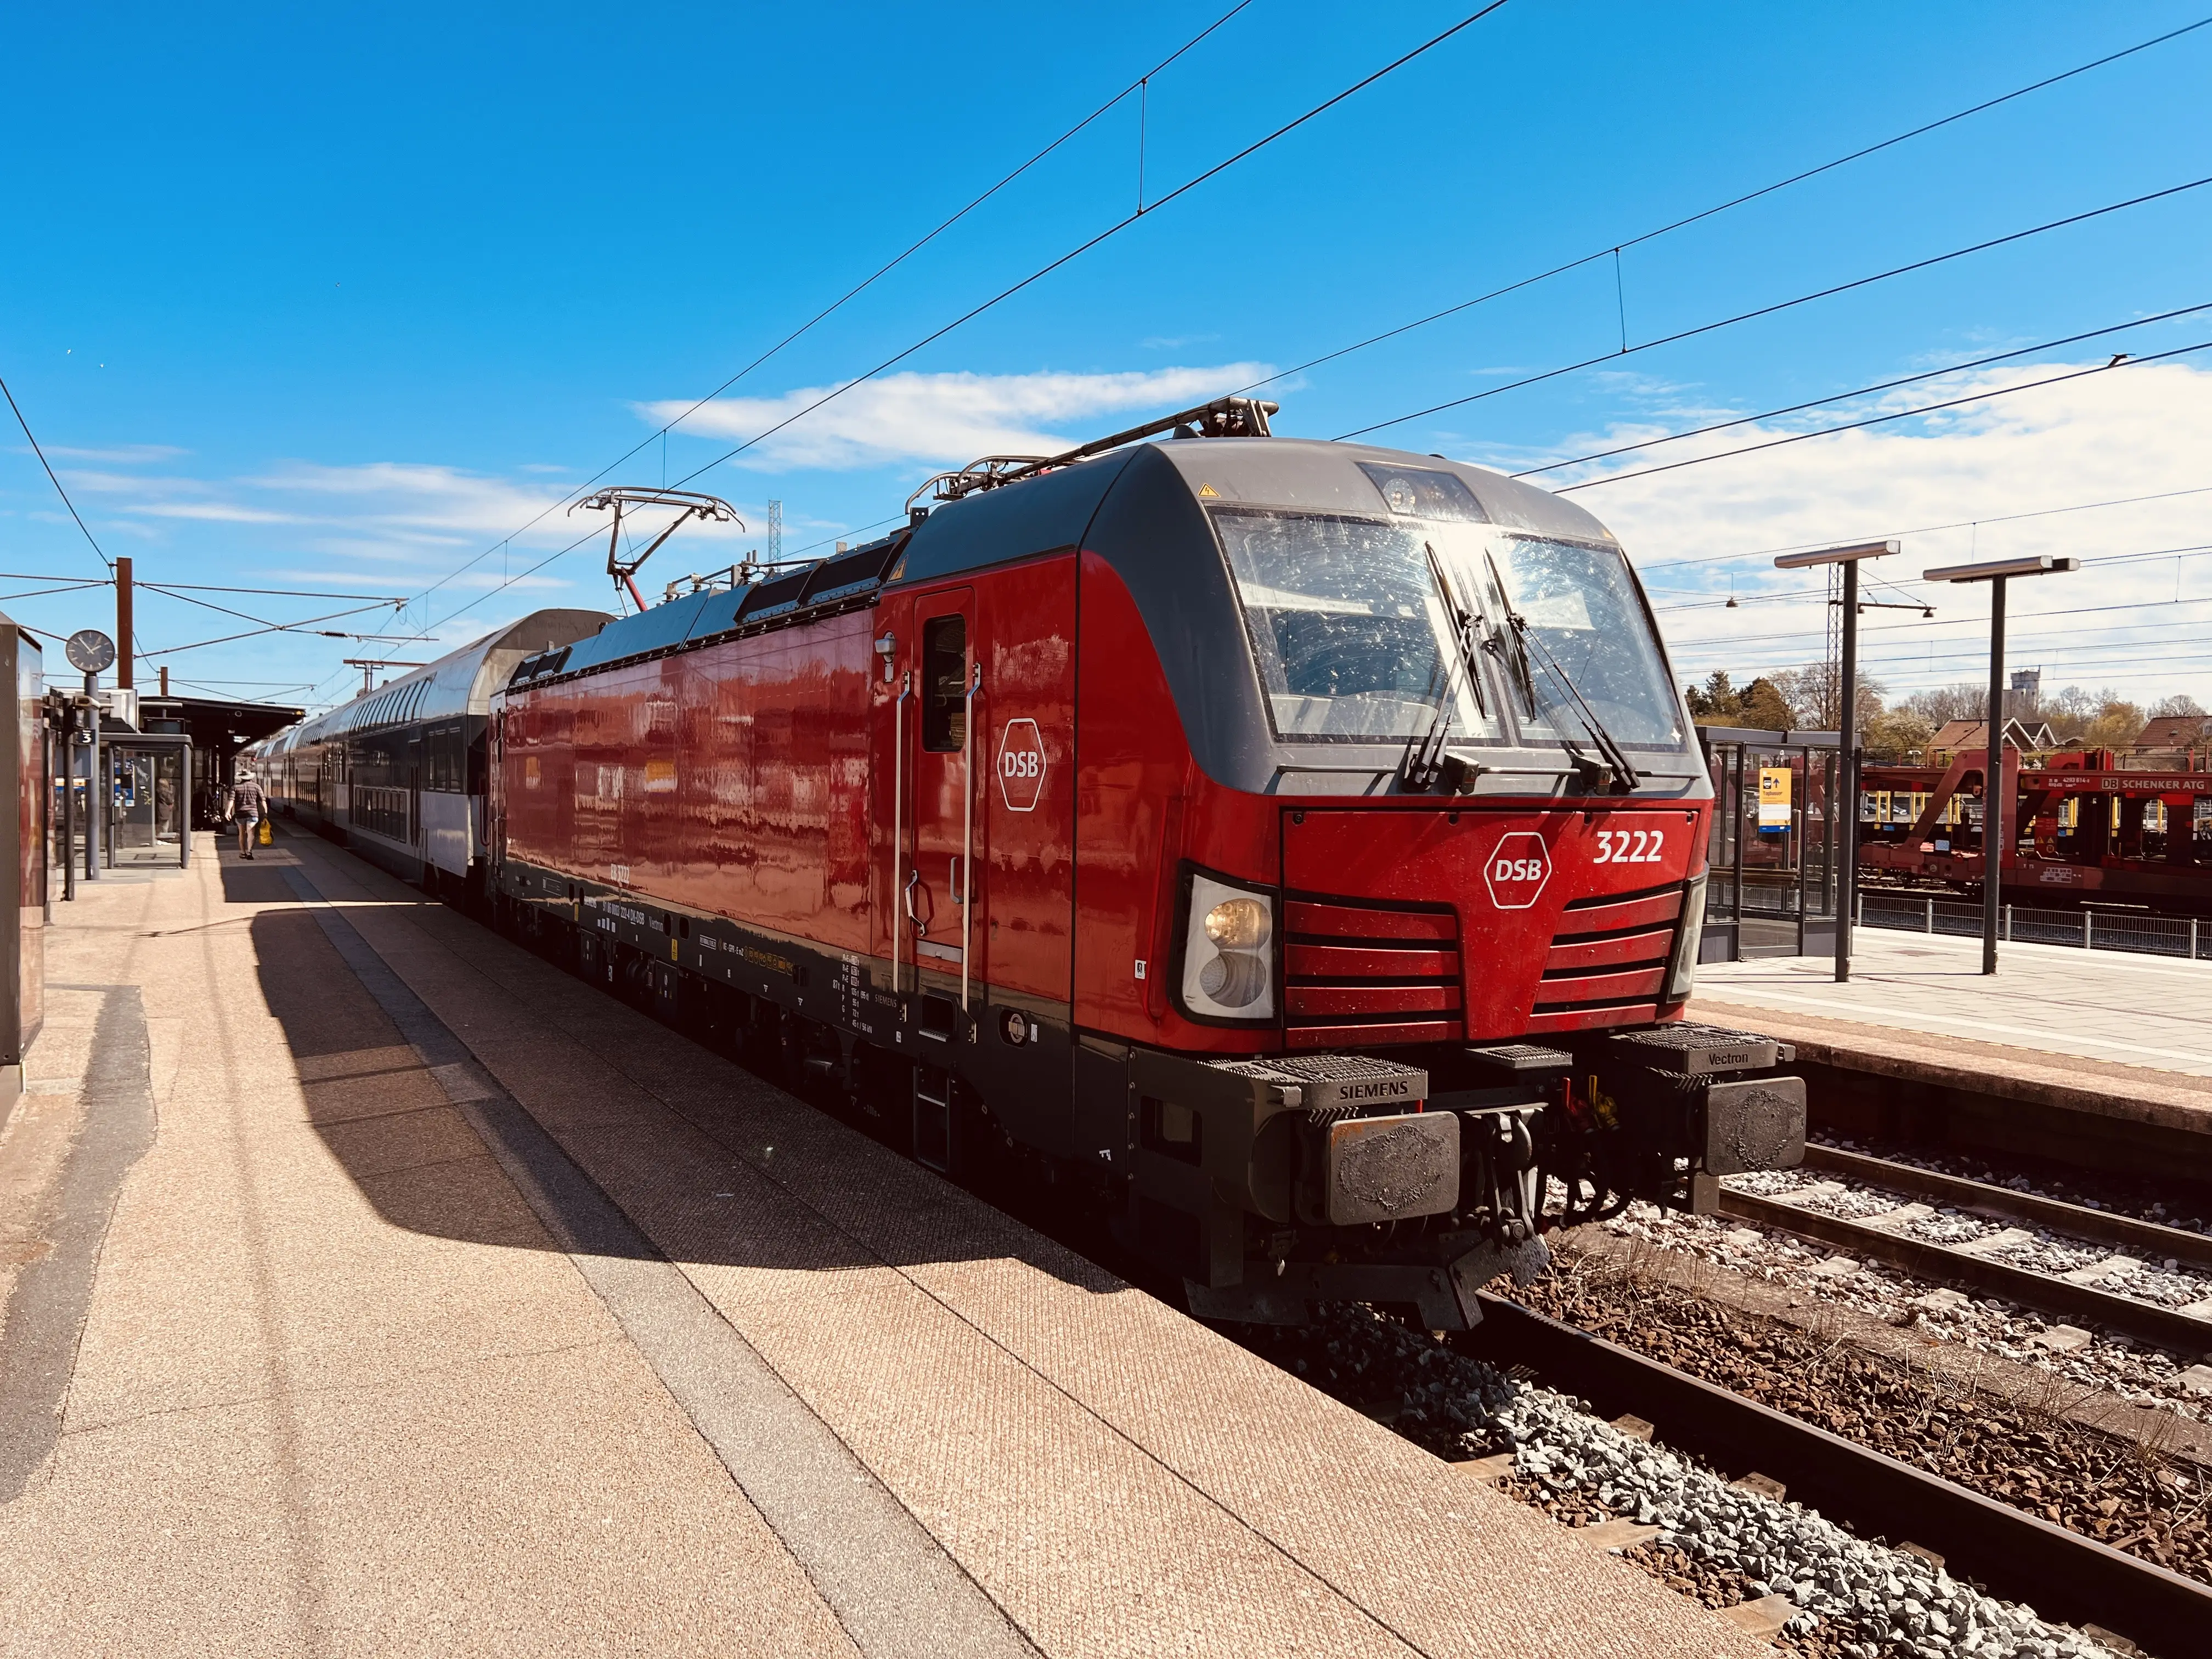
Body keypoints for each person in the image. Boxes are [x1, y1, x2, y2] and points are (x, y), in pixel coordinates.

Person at [228, 768, 267, 859]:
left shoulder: (235, 787)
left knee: (241, 833)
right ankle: (250, 852)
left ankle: (242, 852)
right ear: (250, 777)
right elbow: (263, 800)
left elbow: (231, 800)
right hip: (253, 813)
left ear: (241, 778)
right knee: (251, 832)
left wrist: (228, 812)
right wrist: (265, 812)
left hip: (240, 814)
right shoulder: (257, 787)